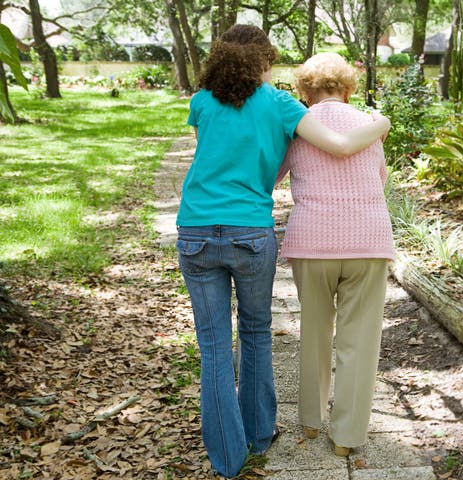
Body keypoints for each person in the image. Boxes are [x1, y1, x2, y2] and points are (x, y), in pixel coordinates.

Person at [175, 26, 390, 478]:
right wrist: (382, 123)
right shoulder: (281, 107)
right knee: (257, 333)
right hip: (260, 232)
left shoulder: (202, 102)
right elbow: (351, 155)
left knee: (214, 347)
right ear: (264, 63)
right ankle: (272, 435)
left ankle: (231, 457)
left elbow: (219, 159)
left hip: (197, 228)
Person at [276, 52, 395, 457]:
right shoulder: (370, 125)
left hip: (313, 242)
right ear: (348, 89)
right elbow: (379, 179)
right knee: (359, 341)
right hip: (368, 242)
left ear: (305, 91)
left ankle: (311, 421)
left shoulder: (297, 128)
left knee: (314, 331)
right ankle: (346, 437)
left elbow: (271, 176)